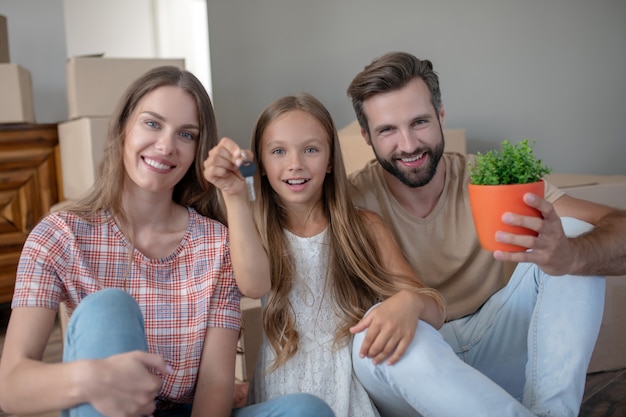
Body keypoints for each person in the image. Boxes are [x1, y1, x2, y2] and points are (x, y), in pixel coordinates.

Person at [0, 66, 334, 417]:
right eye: (152, 123)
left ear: (197, 150)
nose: (166, 146)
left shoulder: (215, 243)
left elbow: (215, 385)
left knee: (306, 410)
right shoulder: (59, 235)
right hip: (104, 405)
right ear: (124, 127)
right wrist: (92, 378)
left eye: (186, 135)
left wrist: (236, 194)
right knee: (108, 308)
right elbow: (9, 388)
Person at [345, 51, 626, 416]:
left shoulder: (492, 178)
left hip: (501, 345)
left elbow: (617, 227)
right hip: (418, 374)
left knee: (575, 235)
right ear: (366, 136)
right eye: (387, 130)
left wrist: (571, 255)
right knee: (371, 334)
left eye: (420, 122)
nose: (409, 144)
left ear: (441, 115)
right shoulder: (349, 202)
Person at [203, 93, 446, 417]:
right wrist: (235, 197)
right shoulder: (252, 227)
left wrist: (412, 302)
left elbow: (435, 311)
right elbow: (252, 285)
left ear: (330, 160)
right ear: (259, 165)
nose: (295, 164)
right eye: (278, 151)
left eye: (311, 149)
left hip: (351, 392)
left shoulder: (364, 227)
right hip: (284, 393)